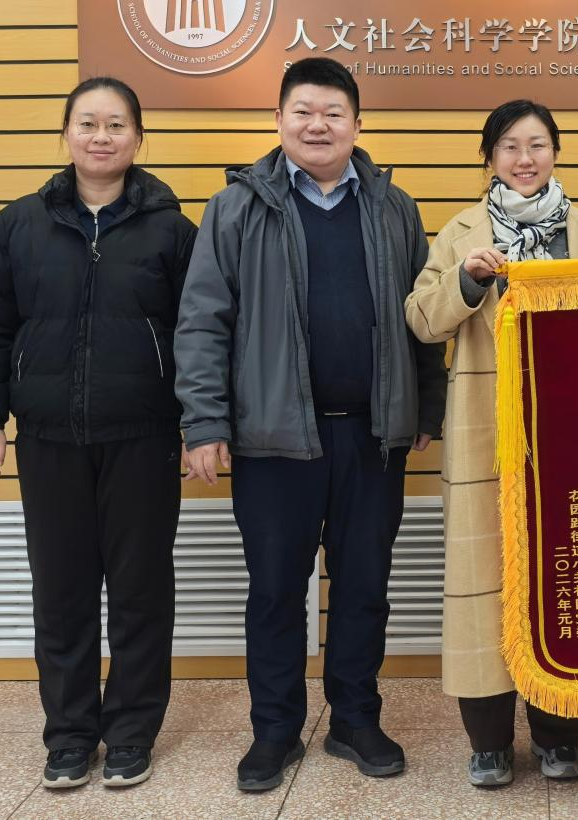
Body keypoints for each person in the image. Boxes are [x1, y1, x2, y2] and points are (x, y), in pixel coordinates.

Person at [174, 58, 447, 792]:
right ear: (278, 120)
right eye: (303, 111)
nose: (317, 124)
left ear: (357, 123)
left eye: (333, 112)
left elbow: (422, 315)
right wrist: (203, 422)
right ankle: (274, 731)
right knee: (274, 590)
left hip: (372, 436)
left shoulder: (392, 206)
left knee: (364, 586)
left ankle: (355, 719)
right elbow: (202, 321)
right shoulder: (237, 208)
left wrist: (426, 405)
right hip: (272, 439)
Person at [0, 77, 196, 789]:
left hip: (145, 436)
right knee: (61, 592)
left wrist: (198, 423)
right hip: (49, 438)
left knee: (141, 590)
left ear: (139, 138)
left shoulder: (172, 230)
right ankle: (68, 736)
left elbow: (199, 335)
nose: (101, 136)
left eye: (116, 124)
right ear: (65, 133)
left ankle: (130, 733)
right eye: (87, 123)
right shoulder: (19, 225)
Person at [405, 100, 578, 788]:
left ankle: (560, 735)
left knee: (565, 577)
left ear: (556, 152)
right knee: (482, 585)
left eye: (538, 145)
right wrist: (466, 279)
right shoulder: (461, 232)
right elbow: (421, 318)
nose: (526, 159)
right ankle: (489, 742)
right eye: (511, 147)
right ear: (490, 157)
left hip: (569, 433)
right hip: (485, 432)